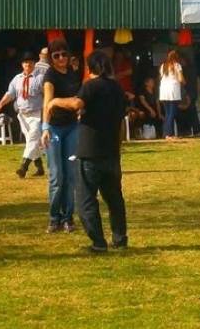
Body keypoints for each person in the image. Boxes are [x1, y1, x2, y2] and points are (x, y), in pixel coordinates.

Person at [48, 51, 128, 253]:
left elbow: (76, 103)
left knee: (86, 201)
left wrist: (55, 102)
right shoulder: (117, 88)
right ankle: (120, 239)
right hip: (111, 152)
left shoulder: (91, 86)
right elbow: (120, 121)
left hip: (90, 151)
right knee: (114, 199)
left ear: (90, 67)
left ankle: (98, 242)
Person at [41, 38, 81, 233]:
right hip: (54, 127)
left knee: (71, 175)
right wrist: (45, 127)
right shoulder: (50, 76)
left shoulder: (72, 72)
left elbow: (78, 98)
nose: (61, 58)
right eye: (56, 56)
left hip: (72, 126)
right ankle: (54, 217)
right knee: (57, 176)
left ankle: (68, 218)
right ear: (51, 58)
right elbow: (47, 103)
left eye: (64, 54)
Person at [0, 52, 46, 178]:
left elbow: (47, 94)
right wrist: (1, 103)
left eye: (30, 62)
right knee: (31, 141)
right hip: (22, 114)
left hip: (36, 113)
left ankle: (23, 167)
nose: (27, 64)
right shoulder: (17, 79)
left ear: (34, 63)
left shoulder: (40, 78)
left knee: (33, 138)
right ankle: (39, 167)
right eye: (25, 62)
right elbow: (10, 93)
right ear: (22, 64)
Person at [158, 50, 185, 140]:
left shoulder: (163, 66)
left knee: (167, 113)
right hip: (173, 90)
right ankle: (169, 134)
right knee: (172, 113)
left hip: (164, 90)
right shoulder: (177, 65)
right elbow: (180, 79)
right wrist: (184, 82)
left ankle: (166, 133)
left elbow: (161, 77)